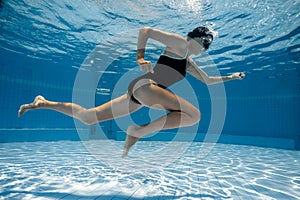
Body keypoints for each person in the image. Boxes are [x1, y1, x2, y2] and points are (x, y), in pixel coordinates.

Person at [18, 26, 245, 158]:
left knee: (89, 116)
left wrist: (231, 77)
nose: (206, 50)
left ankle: (43, 102)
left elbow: (207, 80)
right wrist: (139, 57)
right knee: (194, 115)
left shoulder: (188, 60)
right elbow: (145, 31)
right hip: (146, 88)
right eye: (207, 45)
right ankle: (137, 132)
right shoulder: (181, 44)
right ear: (197, 39)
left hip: (142, 94)